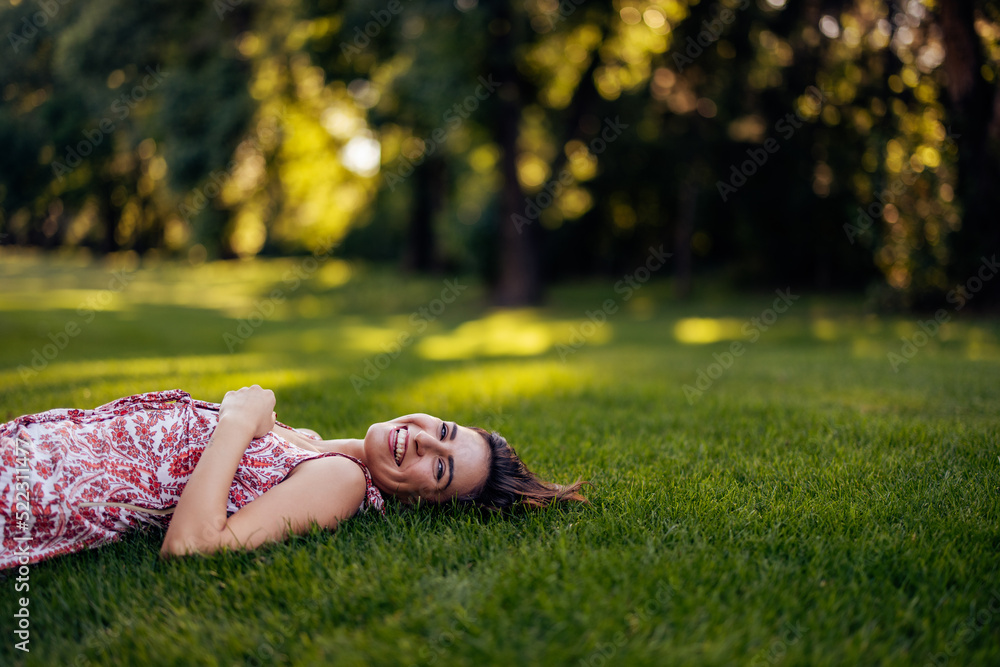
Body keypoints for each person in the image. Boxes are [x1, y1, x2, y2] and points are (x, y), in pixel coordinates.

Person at [0, 386, 586, 569]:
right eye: (447, 430)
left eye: (439, 468)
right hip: (34, 450)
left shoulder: (344, 481)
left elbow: (193, 548)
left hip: (40, 483)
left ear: (417, 504)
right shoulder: (316, 447)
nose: (425, 438)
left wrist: (236, 420)